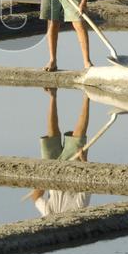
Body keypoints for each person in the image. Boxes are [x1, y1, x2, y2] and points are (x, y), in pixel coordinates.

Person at [26, 87, 92, 217]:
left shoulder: (49, 215)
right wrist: (84, 161)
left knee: (52, 134)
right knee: (78, 135)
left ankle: (52, 95)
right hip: (72, 168)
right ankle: (87, 96)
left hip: (52, 170)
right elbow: (88, 185)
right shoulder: (78, 210)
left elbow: (35, 197)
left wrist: (43, 180)